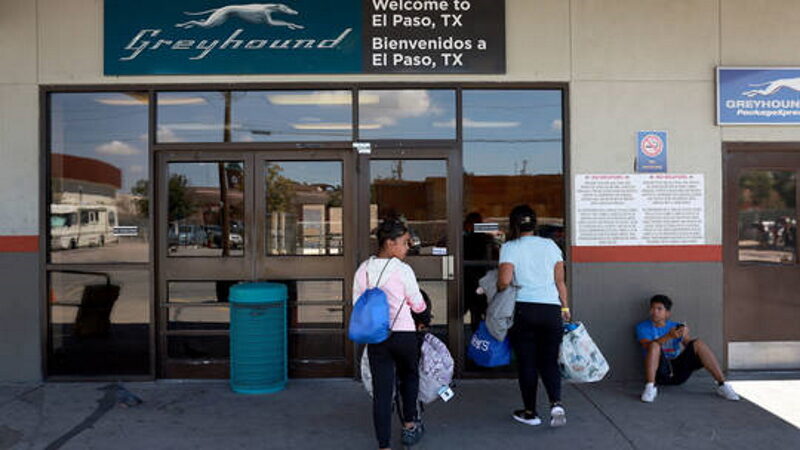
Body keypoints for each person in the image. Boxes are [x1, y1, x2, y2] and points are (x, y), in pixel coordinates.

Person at [353, 218, 429, 449]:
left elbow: (357, 303)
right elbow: (418, 304)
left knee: (382, 392)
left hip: (377, 337)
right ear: (389, 243)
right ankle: (409, 425)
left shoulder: (363, 270)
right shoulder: (403, 270)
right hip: (404, 334)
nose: (407, 248)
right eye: (404, 243)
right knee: (409, 377)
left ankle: (384, 444)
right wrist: (420, 312)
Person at [497, 205, 570, 427]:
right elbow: (560, 281)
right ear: (535, 224)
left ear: (514, 225)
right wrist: (565, 308)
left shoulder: (510, 247)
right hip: (551, 309)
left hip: (524, 309)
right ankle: (556, 403)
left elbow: (504, 281)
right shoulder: (550, 245)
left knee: (527, 362)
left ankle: (530, 412)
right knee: (549, 360)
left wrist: (498, 287)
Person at [636, 294, 740, 403]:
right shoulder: (642, 327)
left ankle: (722, 385)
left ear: (667, 313)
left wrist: (684, 335)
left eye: (659, 309)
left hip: (678, 371)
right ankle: (650, 388)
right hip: (659, 372)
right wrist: (669, 336)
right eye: (652, 308)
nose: (654, 312)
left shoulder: (675, 326)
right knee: (654, 345)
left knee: (698, 343)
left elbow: (689, 347)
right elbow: (647, 346)